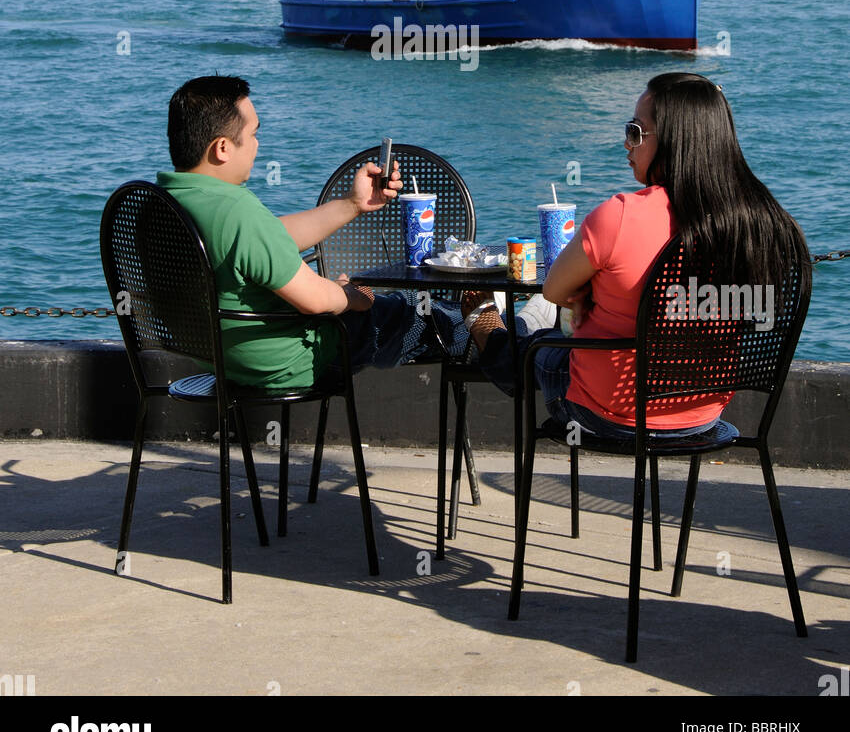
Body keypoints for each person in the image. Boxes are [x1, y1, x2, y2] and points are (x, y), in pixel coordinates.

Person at [461, 73, 810, 438]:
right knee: (556, 338)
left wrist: (593, 299)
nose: (626, 144)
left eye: (635, 131)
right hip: (702, 415)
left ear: (675, 141)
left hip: (609, 414)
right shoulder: (766, 224)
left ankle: (489, 330)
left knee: (543, 351)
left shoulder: (621, 214)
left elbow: (552, 290)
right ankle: (502, 333)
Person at [158, 76, 470, 393]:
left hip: (220, 360)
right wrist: (350, 295)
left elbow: (268, 240)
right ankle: (508, 341)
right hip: (289, 360)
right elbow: (315, 302)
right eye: (253, 134)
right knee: (426, 313)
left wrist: (353, 205)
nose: (257, 144)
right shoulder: (235, 209)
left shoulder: (164, 204)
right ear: (222, 148)